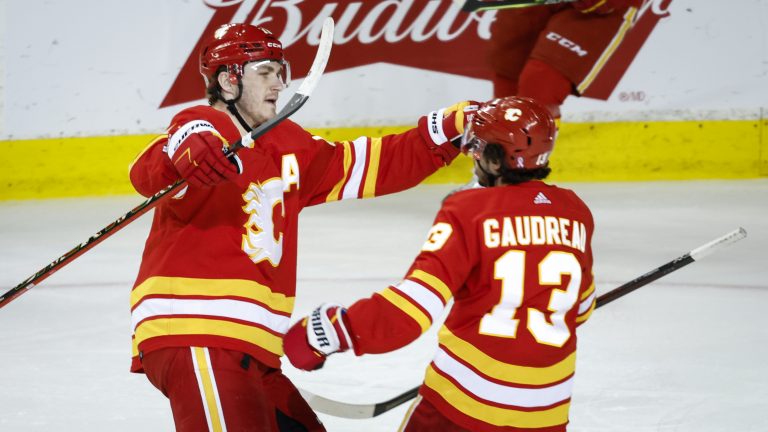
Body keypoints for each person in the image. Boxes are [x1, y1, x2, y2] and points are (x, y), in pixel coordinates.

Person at [128, 23, 478, 431]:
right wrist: (189, 143)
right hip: (197, 333)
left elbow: (379, 164)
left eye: (280, 71)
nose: (278, 83)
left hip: (254, 351)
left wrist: (449, 129)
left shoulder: (289, 146)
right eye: (265, 73)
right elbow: (150, 168)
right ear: (228, 81)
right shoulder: (206, 130)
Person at [285, 96, 596, 431]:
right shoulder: (575, 210)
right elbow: (582, 307)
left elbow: (410, 311)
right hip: (547, 414)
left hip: (462, 409)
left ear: (494, 160)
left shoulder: (470, 211)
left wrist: (330, 330)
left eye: (477, 148)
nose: (473, 157)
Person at [488, 0, 642, 119]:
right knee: (508, 72)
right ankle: (499, 155)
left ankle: (525, 157)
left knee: (541, 84)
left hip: (596, 12)